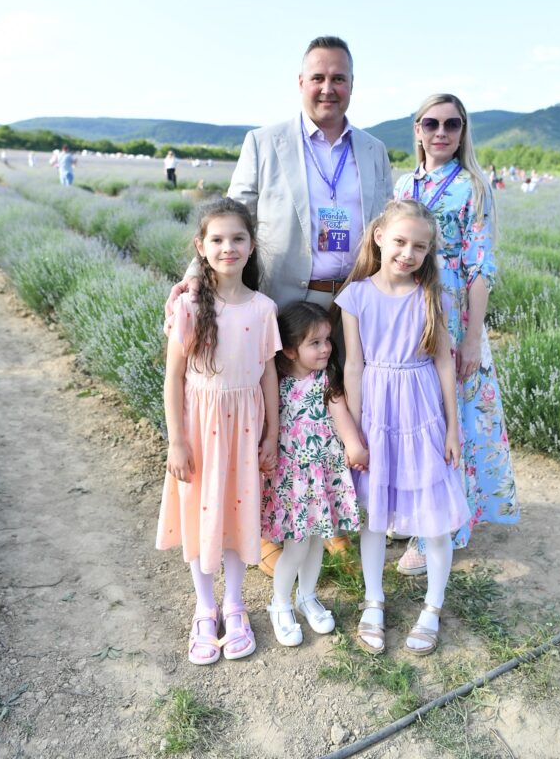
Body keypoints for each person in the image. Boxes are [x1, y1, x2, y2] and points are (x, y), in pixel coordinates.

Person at [167, 35, 393, 571]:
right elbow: (232, 216)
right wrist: (193, 281)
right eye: (318, 77)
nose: (328, 88)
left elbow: (384, 225)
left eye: (339, 78)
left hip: (349, 303)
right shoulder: (264, 142)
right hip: (286, 301)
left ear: (352, 85)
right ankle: (271, 527)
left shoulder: (374, 150)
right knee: (280, 413)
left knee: (338, 403)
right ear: (300, 83)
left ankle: (329, 518)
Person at [335, 199, 470, 655]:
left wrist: (452, 428)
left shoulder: (431, 296)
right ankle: (374, 600)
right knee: (375, 514)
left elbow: (444, 364)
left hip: (421, 409)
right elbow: (354, 365)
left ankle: (433, 606)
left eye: (419, 247)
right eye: (399, 241)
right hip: (377, 410)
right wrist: (355, 431)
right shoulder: (356, 296)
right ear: (379, 237)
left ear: (429, 251)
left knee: (433, 513)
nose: (408, 253)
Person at [393, 93, 519, 576]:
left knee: (450, 416)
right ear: (418, 130)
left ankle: (440, 529)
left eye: (452, 124)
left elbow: (480, 267)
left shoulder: (473, 187)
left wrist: (471, 339)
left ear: (463, 131)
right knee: (413, 411)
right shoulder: (405, 184)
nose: (441, 132)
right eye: (431, 123)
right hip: (406, 311)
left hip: (453, 316)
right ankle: (415, 510)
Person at [156, 198, 281, 664]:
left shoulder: (263, 308)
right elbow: (173, 377)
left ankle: (235, 604)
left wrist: (271, 434)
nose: (228, 247)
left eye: (238, 238)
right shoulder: (189, 306)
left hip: (245, 429)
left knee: (235, 512)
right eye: (218, 239)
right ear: (201, 247)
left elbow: (268, 375)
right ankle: (205, 609)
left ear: (252, 245)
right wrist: (177, 440)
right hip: (200, 428)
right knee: (201, 514)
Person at [261, 302, 368, 646]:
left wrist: (355, 446)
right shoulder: (277, 386)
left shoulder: (326, 382)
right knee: (296, 546)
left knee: (318, 543)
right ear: (291, 350)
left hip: (322, 480)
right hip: (294, 482)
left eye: (327, 340)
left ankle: (307, 596)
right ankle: (280, 603)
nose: (325, 348)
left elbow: (341, 418)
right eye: (315, 343)